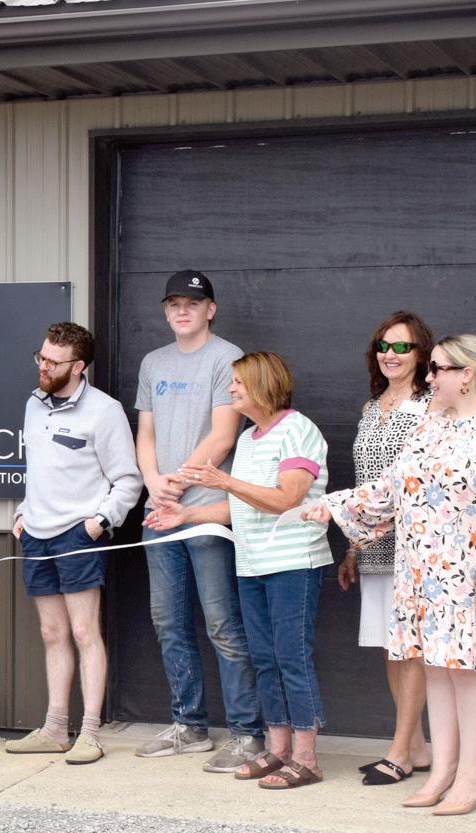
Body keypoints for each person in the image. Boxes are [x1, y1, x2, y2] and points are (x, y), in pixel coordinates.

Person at [309, 334, 476, 815]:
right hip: (422, 572)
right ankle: (442, 772)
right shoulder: (429, 427)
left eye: (436, 369)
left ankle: (473, 774)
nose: (428, 378)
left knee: (471, 672)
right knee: (436, 669)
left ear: (466, 375)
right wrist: (333, 506)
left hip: (472, 575)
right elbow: (393, 490)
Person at [149, 351, 333, 790]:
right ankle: (278, 750)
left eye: (238, 382)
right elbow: (241, 505)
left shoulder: (298, 430)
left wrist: (225, 481)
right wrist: (186, 516)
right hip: (252, 564)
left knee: (291, 658)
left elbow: (286, 498)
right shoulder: (249, 438)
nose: (231, 389)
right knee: (265, 658)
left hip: (293, 564)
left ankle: (307, 759)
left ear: (263, 384)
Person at [132, 269, 263, 772]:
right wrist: (153, 482)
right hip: (159, 511)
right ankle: (189, 726)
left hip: (206, 510)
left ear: (211, 309)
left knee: (222, 623)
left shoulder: (226, 358)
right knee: (167, 620)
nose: (181, 310)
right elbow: (145, 433)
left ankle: (247, 733)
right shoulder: (153, 362)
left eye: (192, 302)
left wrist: (177, 483)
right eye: (173, 304)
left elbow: (223, 435)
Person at [5, 323, 141, 765]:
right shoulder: (33, 404)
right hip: (36, 534)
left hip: (78, 537)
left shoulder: (105, 411)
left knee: (84, 632)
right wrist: (23, 513)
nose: (43, 367)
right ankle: (54, 730)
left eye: (53, 361)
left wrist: (99, 523)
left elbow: (128, 480)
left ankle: (91, 734)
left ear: (78, 366)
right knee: (52, 633)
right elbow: (38, 471)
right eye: (41, 357)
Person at [339, 311, 434, 785]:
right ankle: (415, 747)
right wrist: (353, 547)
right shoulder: (371, 406)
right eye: (383, 345)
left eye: (402, 346)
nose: (390, 354)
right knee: (388, 646)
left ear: (421, 354)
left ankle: (399, 751)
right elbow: (365, 481)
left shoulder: (432, 405)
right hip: (373, 544)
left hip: (413, 545)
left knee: (408, 648)